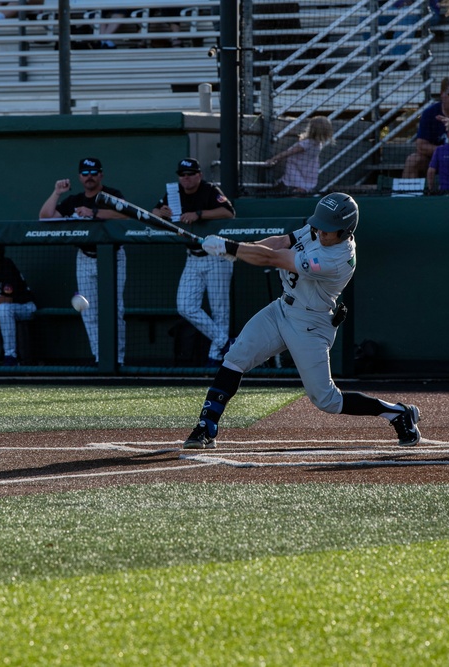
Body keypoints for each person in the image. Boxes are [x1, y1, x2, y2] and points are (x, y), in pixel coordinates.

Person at [181, 193, 422, 450]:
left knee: (327, 400)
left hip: (311, 323)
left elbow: (275, 258)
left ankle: (397, 413)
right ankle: (206, 426)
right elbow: (281, 242)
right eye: (319, 226)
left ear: (345, 230)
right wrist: (236, 249)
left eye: (329, 230)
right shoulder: (318, 228)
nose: (320, 232)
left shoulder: (336, 260)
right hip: (281, 308)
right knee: (235, 358)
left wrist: (231, 248)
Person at [38, 157, 129, 365]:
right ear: (80, 176)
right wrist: (57, 192)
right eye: (85, 173)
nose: (89, 177)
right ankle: (100, 358)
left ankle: (118, 359)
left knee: (116, 309)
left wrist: (94, 212)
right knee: (88, 310)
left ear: (101, 174)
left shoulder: (112, 195)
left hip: (113, 256)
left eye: (94, 172)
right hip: (85, 257)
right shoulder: (74, 200)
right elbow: (45, 217)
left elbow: (125, 214)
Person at [151, 158, 237, 366]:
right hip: (193, 257)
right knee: (185, 306)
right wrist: (160, 213)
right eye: (182, 175)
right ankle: (225, 342)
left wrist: (199, 214)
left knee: (220, 311)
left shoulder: (209, 190)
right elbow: (153, 213)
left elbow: (228, 213)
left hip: (216, 256)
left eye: (190, 174)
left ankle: (216, 359)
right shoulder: (174, 193)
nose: (186, 178)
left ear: (199, 175)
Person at [402, 77, 449, 178]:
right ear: (442, 94)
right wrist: (445, 151)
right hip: (435, 160)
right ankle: (406, 193)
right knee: (413, 160)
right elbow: (421, 146)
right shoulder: (429, 113)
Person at [265, 116, 334, 193]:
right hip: (307, 172)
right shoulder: (318, 143)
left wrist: (273, 159)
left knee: (293, 189)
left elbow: (288, 153)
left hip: (296, 171)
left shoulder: (307, 143)